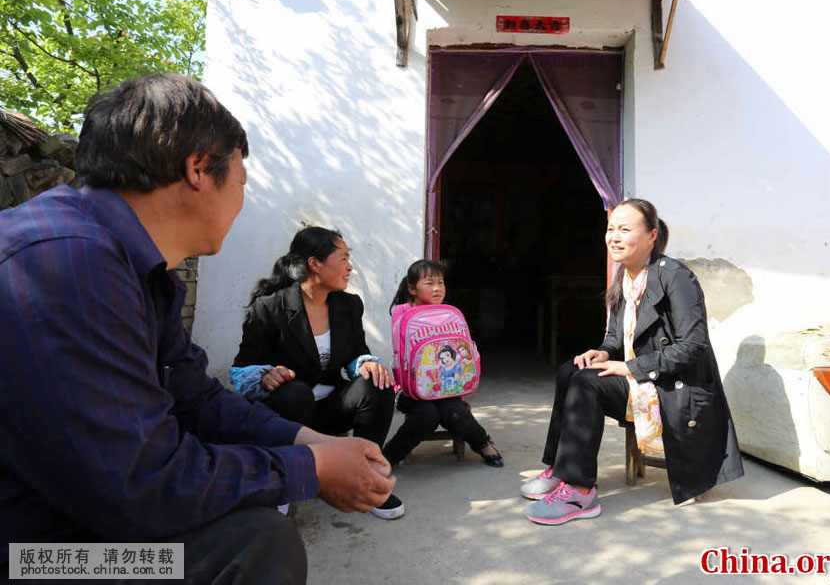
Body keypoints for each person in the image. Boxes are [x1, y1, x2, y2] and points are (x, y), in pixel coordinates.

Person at [0, 74, 395, 584]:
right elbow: (143, 481)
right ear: (198, 171)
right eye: (242, 183)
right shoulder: (66, 264)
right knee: (256, 547)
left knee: (252, 528)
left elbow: (198, 400)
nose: (241, 201)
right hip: (32, 555)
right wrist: (311, 470)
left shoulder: (137, 267)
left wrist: (314, 443)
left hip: (78, 506)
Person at [521, 199, 743, 525]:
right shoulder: (625, 276)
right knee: (573, 370)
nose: (614, 236)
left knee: (587, 383)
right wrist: (604, 353)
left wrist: (630, 367)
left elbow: (693, 346)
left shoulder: (677, 278)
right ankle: (562, 467)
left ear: (652, 235)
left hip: (674, 388)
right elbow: (615, 338)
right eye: (611, 228)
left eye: (625, 229)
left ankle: (580, 492)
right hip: (645, 381)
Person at [231, 227, 405, 520]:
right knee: (295, 392)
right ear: (315, 264)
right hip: (287, 414)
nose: (350, 267)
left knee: (379, 382)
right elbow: (242, 369)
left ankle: (369, 482)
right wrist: (263, 375)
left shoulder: (348, 305)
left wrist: (365, 363)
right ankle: (282, 484)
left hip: (329, 411)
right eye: (343, 258)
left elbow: (354, 354)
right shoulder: (270, 307)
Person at [381, 260, 503, 467]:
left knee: (454, 412)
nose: (437, 288)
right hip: (413, 390)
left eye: (441, 282)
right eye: (429, 283)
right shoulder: (402, 313)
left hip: (448, 389)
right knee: (426, 415)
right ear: (412, 288)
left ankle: (483, 444)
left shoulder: (449, 314)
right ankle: (388, 458)